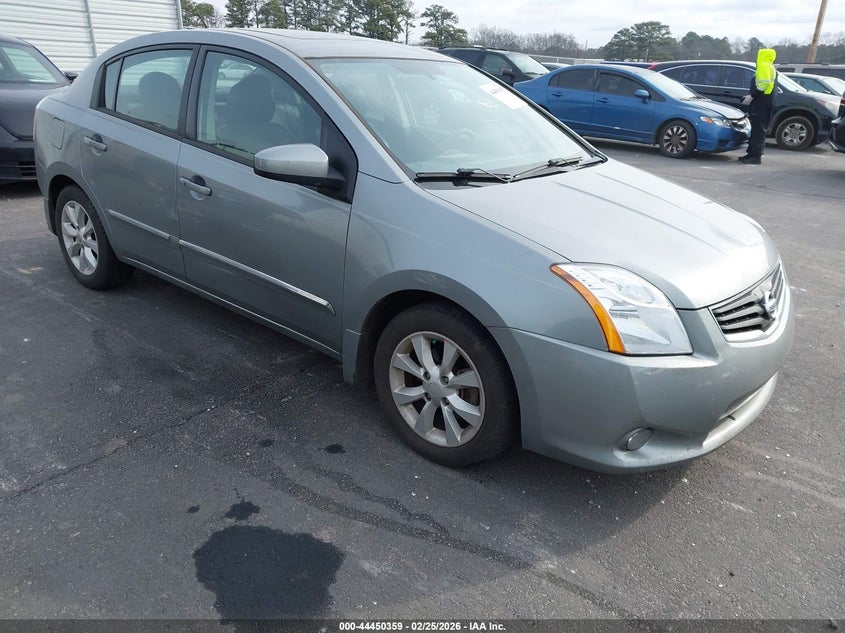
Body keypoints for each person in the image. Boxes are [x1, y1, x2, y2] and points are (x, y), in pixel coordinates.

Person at [738, 48, 778, 165]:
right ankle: (751, 154)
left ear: (762, 56)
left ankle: (755, 157)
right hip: (765, 101)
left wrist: (752, 96)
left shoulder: (764, 66)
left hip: (762, 101)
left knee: (758, 130)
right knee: (757, 128)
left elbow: (763, 84)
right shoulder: (770, 66)